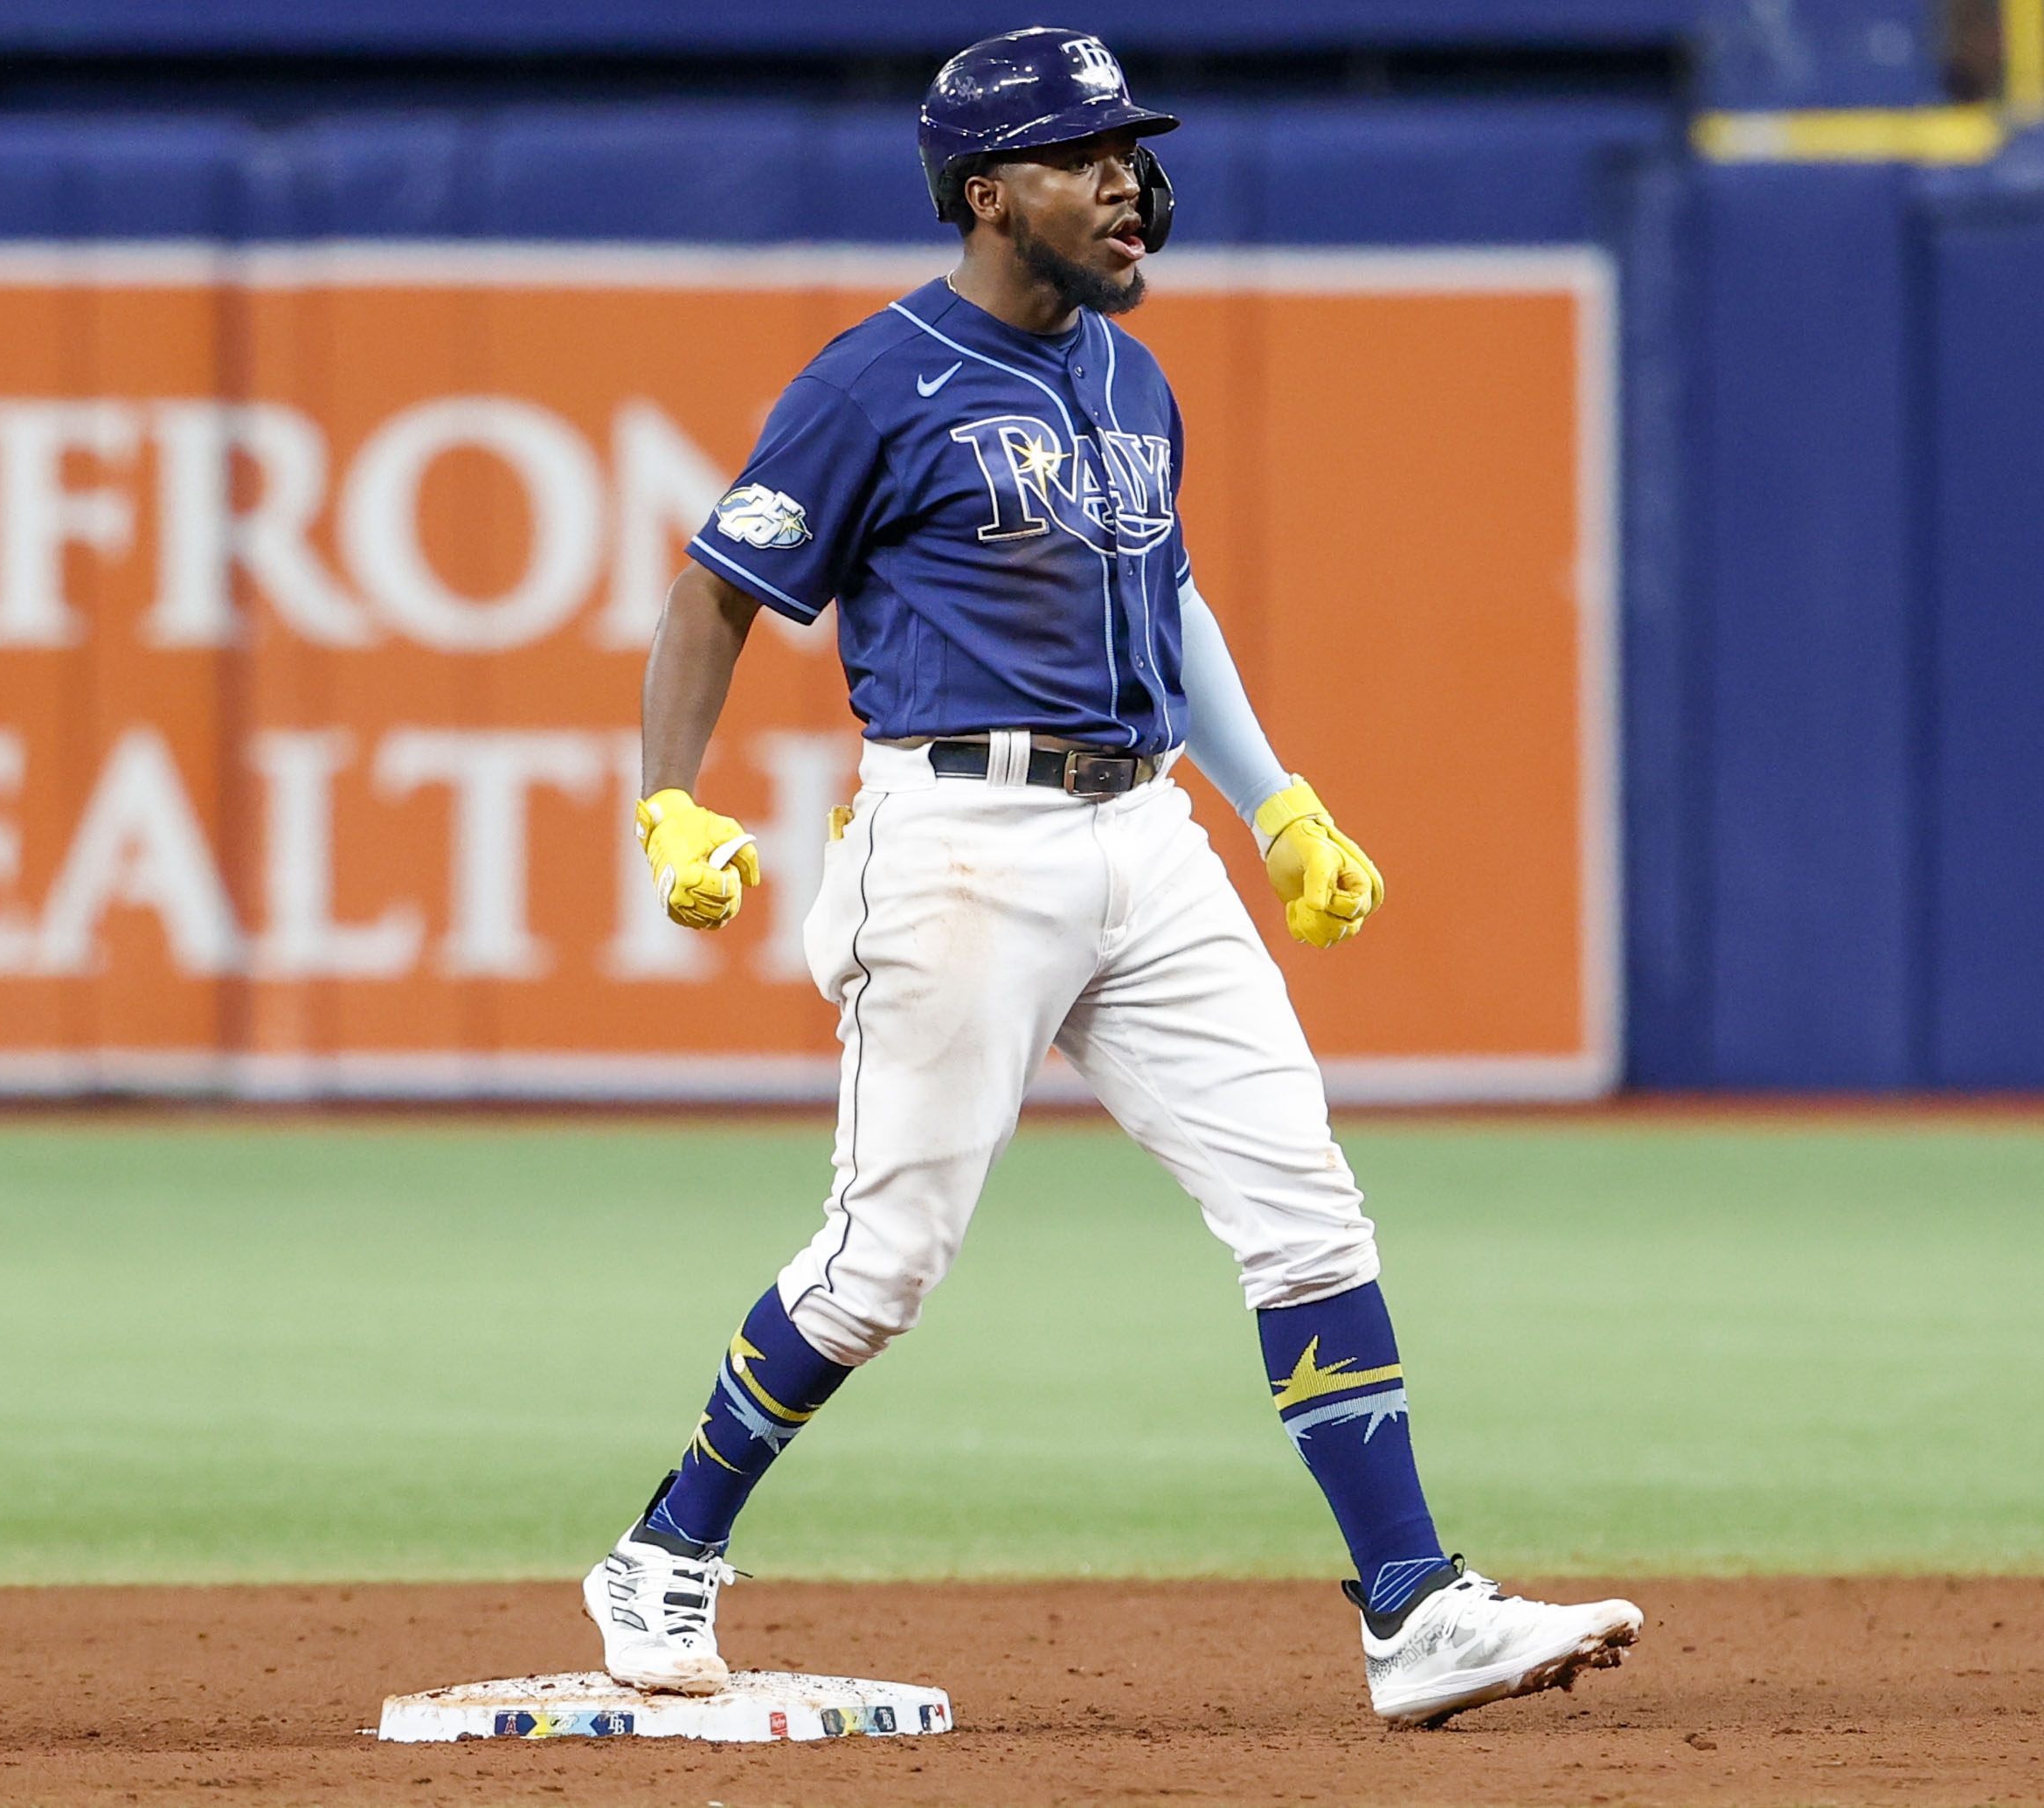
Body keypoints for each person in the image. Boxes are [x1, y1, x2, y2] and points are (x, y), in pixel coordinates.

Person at [580, 27, 1642, 1727]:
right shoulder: (879, 378)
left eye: (1130, 156)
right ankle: (660, 1551)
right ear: (990, 193)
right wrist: (666, 803)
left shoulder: (1127, 379)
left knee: (1301, 1203)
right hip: (957, 843)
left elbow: (1173, 603)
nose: (1129, 185)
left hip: (1145, 836)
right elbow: (715, 591)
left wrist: (1276, 798)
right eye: (1086, 160)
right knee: (882, 1265)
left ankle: (1412, 1606)